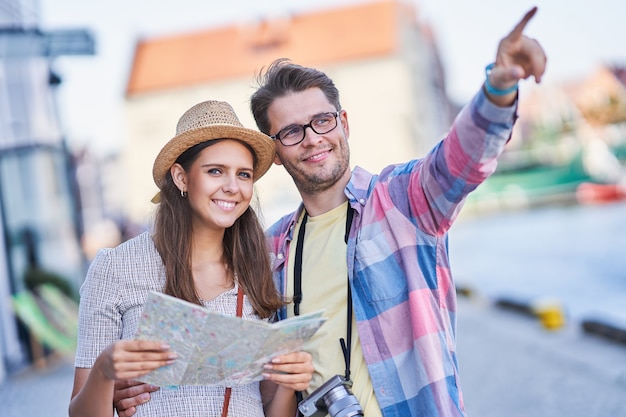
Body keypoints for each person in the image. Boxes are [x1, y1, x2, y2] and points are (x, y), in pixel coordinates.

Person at [114, 7, 547, 417]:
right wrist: (129, 384)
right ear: (277, 152)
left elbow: (461, 159)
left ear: (343, 123)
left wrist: (500, 88)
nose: (313, 138)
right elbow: (236, 365)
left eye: (322, 121)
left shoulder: (402, 202)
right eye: (291, 131)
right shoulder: (269, 251)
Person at [69, 100, 314, 417]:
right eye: (215, 171)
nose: (232, 187)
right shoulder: (115, 268)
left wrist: (290, 381)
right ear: (181, 178)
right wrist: (104, 370)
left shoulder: (261, 268)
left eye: (244, 175)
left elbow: (270, 408)